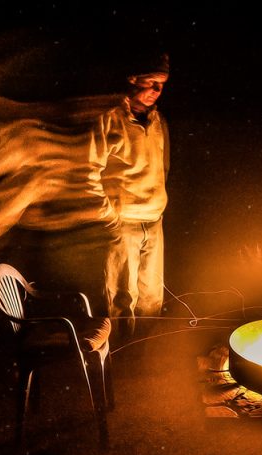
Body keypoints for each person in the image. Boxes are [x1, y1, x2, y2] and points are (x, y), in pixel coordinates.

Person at [89, 52, 170, 341]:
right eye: (152, 82)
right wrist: (110, 217)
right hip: (123, 225)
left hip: (154, 221)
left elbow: (164, 167)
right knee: (122, 299)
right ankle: (122, 353)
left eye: (162, 85)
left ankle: (145, 352)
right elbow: (89, 173)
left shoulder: (157, 121)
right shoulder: (109, 120)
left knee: (152, 296)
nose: (157, 91)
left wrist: (159, 203)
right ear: (133, 79)